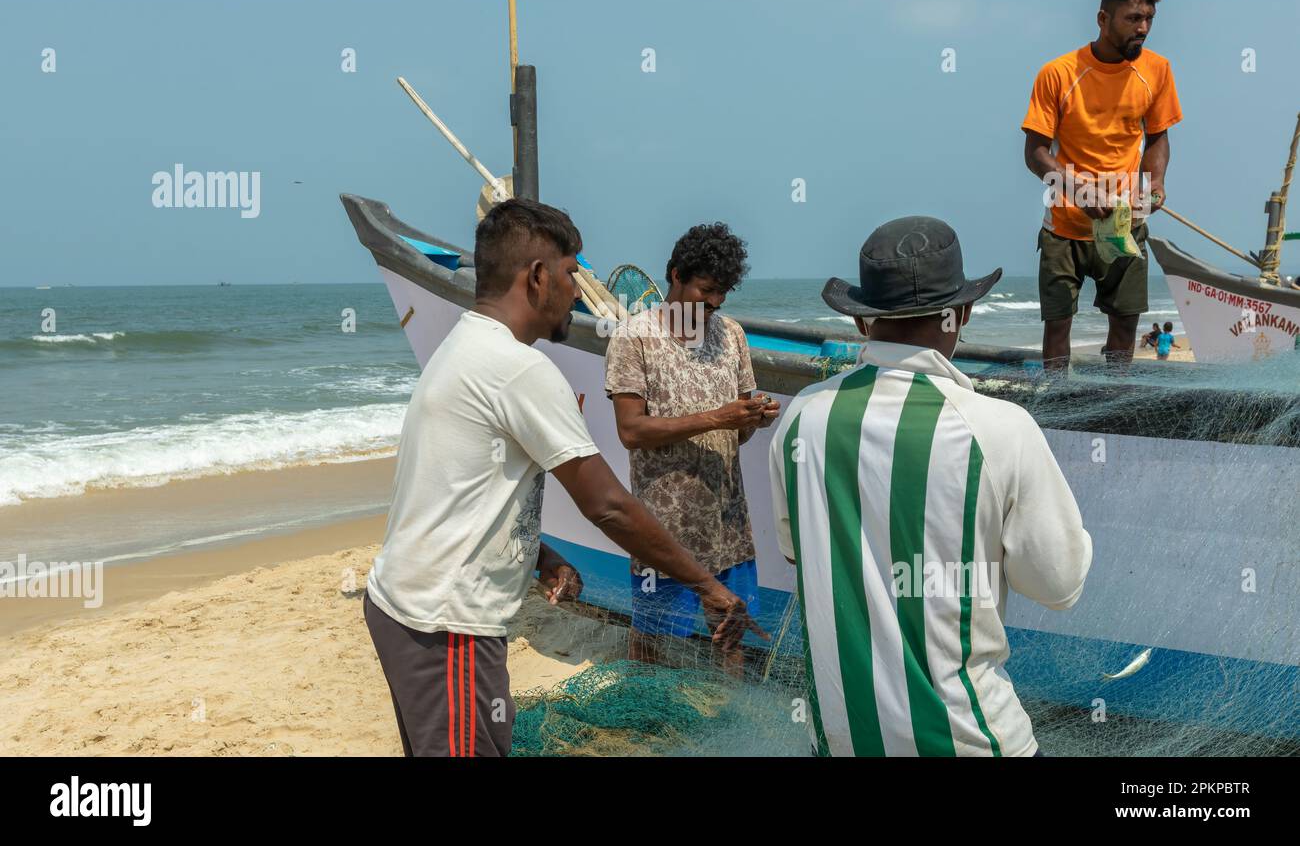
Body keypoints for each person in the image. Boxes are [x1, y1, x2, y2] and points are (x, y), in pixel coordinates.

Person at [364, 198, 762, 757]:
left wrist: (539, 556)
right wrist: (707, 586)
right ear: (536, 277)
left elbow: (459, 492)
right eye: (573, 274)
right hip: (445, 624)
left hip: (415, 612)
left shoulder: (466, 345)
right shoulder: (520, 370)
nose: (579, 292)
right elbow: (609, 506)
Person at [769, 216, 1093, 757]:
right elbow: (1059, 586)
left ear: (862, 321)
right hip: (971, 741)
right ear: (960, 313)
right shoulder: (999, 428)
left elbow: (798, 552)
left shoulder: (803, 417)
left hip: (843, 740)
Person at [605, 222, 779, 675]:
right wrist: (719, 417)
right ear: (675, 274)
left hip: (727, 520)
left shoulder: (732, 335)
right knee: (652, 637)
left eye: (723, 292)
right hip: (663, 527)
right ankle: (638, 721)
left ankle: (731, 718)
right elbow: (631, 431)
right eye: (706, 290)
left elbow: (737, 428)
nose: (716, 302)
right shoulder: (634, 337)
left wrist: (752, 418)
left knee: (731, 629)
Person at [1022, 0, 1183, 371]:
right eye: (1133, 19)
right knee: (1058, 326)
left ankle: (1115, 402)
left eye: (1148, 19)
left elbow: (1158, 137)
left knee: (1125, 324)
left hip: (1124, 223)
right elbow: (1035, 153)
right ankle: (1057, 407)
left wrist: (1156, 183)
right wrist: (1077, 191)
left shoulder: (1158, 70)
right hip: (1064, 226)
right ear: (1102, 19)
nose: (1143, 28)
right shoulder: (1058, 73)